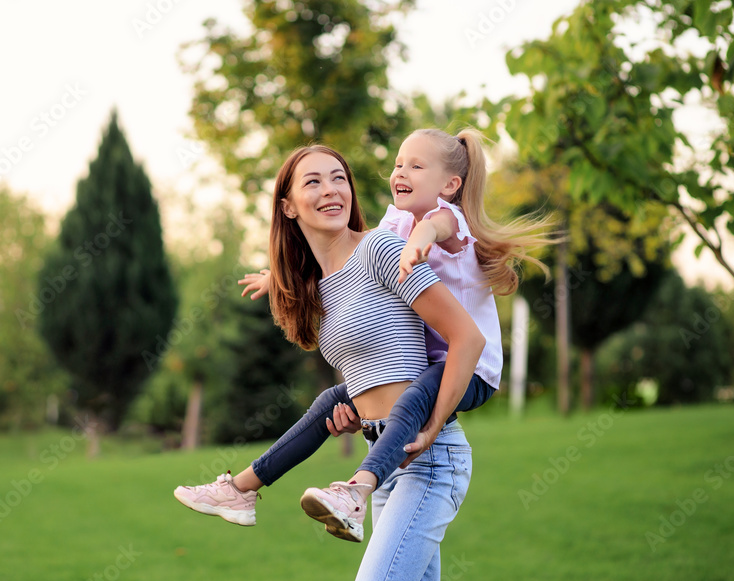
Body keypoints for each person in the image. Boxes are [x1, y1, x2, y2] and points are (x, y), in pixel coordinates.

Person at [175, 128, 550, 542]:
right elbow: (356, 274)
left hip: (464, 384)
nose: (401, 172)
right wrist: (279, 275)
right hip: (392, 440)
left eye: (339, 178)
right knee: (328, 403)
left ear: (449, 184)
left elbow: (434, 240)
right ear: (288, 206)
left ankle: (355, 489)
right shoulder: (391, 226)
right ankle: (240, 489)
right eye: (398, 164)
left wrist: (432, 425)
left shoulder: (439, 220)